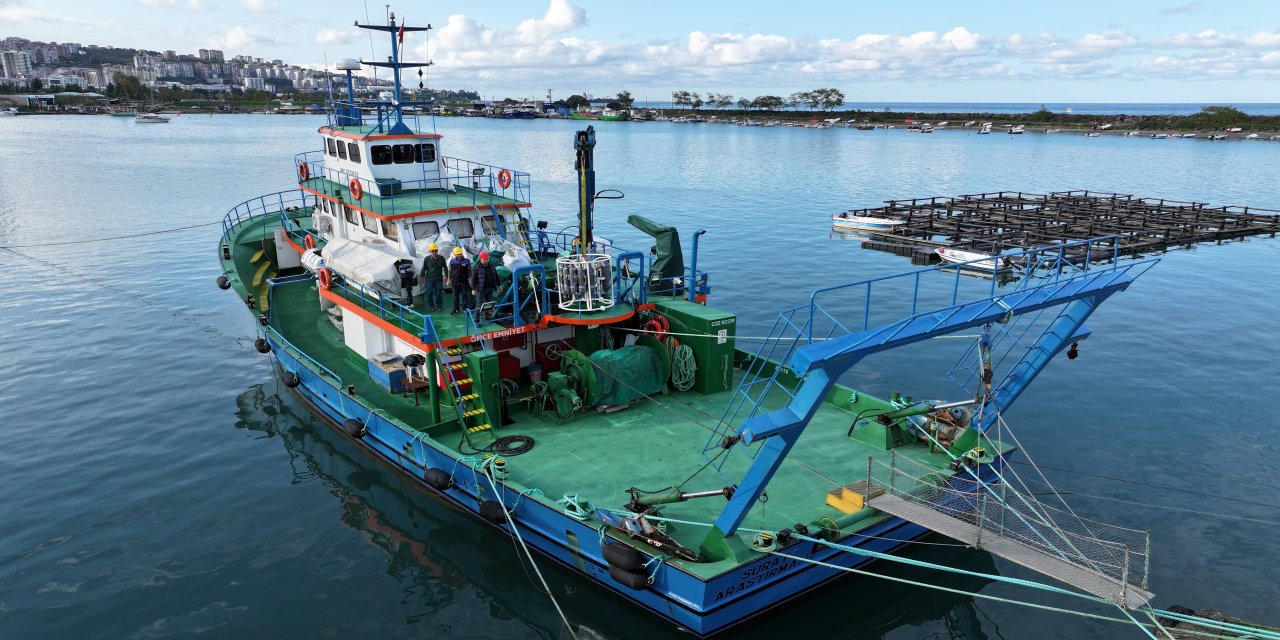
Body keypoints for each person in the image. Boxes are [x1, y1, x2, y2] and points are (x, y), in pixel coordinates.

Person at [419, 243, 447, 311]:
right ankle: (431, 305)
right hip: (429, 279)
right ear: (430, 251)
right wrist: (421, 277)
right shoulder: (427, 259)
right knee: (429, 292)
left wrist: (446, 276)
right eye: (433, 251)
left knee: (438, 293)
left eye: (436, 250)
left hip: (438, 279)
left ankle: (439, 306)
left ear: (437, 251)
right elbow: (424, 268)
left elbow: (445, 267)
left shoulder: (442, 258)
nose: (434, 252)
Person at [448, 247, 472, 314]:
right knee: (455, 296)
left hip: (464, 282)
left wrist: (470, 280)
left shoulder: (467, 261)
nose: (459, 255)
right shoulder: (452, 261)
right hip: (455, 282)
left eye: (460, 254)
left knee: (464, 295)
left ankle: (465, 308)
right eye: (457, 254)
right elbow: (450, 271)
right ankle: (456, 309)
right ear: (455, 254)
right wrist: (449, 279)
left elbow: (470, 271)